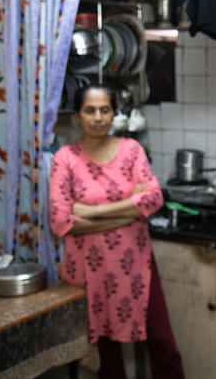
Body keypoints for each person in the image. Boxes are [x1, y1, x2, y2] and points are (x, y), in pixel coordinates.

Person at [49, 84, 184, 379]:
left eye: (105, 110)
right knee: (107, 349)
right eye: (90, 110)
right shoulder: (65, 158)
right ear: (77, 117)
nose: (98, 117)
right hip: (89, 270)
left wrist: (90, 211)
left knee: (162, 340)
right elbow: (61, 221)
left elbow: (153, 198)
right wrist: (129, 211)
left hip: (136, 264)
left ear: (113, 114)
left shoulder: (131, 150)